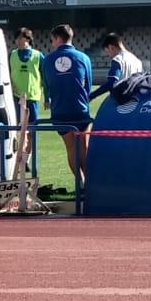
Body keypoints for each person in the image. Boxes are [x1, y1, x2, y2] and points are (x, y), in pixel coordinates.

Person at [42, 24, 94, 191]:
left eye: (52, 40)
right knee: (84, 147)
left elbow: (47, 84)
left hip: (60, 110)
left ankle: (80, 181)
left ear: (57, 38)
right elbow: (89, 85)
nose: (52, 43)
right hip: (80, 109)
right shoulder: (83, 57)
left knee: (70, 148)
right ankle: (90, 183)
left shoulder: (48, 60)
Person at [90, 32, 144, 102]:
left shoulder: (118, 59)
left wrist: (92, 95)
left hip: (122, 102)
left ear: (111, 47)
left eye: (107, 51)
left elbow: (111, 83)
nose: (109, 55)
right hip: (136, 100)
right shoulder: (137, 60)